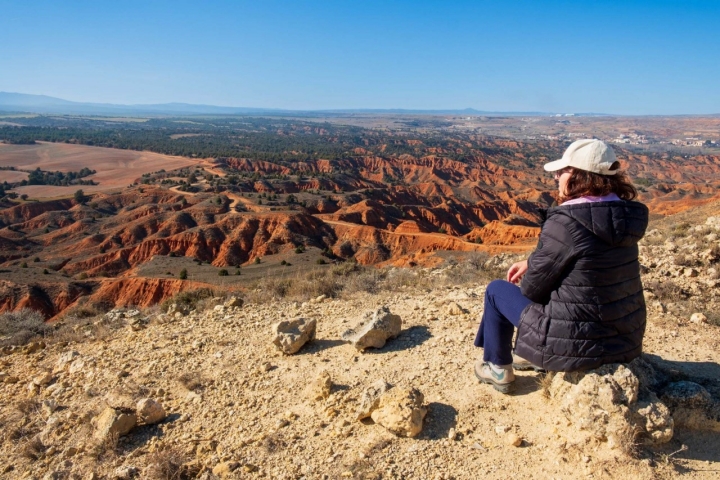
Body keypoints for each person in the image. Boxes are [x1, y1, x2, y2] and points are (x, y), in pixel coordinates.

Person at [473, 139, 649, 394]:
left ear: (580, 176)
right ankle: (521, 354)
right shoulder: (623, 217)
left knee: (497, 290)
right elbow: (587, 260)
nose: (556, 176)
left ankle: (498, 367)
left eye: (562, 171)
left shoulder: (567, 221)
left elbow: (531, 290)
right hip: (624, 343)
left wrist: (535, 270)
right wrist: (532, 262)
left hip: (578, 346)